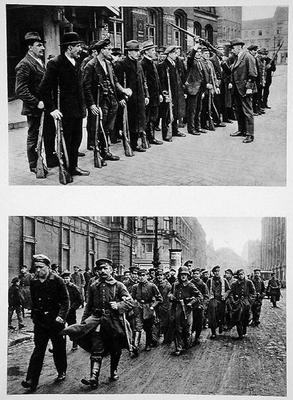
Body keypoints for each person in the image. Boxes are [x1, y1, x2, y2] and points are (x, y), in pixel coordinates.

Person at [63, 258, 133, 388]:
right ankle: (93, 377)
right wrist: (84, 322)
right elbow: (88, 306)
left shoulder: (119, 285)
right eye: (100, 269)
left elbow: (130, 302)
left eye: (105, 268)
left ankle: (113, 371)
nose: (102, 271)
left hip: (114, 322)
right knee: (97, 348)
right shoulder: (94, 286)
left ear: (111, 270)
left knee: (115, 349)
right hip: (97, 321)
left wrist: (118, 305)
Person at [39, 32, 90, 178]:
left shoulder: (78, 61)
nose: (81, 49)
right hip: (64, 111)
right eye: (78, 46)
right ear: (69, 48)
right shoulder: (55, 63)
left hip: (78, 110)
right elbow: (44, 89)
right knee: (66, 141)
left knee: (76, 140)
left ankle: (73, 167)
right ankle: (66, 168)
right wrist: (52, 108)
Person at [21, 254, 69, 392]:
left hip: (55, 321)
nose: (37, 270)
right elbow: (34, 301)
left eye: (41, 267)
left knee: (58, 348)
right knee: (38, 350)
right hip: (41, 322)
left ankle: (61, 371)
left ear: (48, 267)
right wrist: (35, 317)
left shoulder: (58, 280)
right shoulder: (34, 282)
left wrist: (61, 317)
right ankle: (31, 380)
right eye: (36, 267)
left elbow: (66, 301)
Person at [83, 38, 132, 163]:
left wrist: (123, 90)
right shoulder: (91, 65)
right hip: (100, 101)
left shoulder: (109, 64)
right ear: (101, 50)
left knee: (108, 127)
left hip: (112, 99)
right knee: (99, 128)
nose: (110, 51)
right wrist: (91, 104)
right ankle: (99, 153)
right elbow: (86, 87)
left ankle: (106, 151)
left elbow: (114, 81)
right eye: (108, 49)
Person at [15, 32, 57, 172]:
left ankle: (51, 159)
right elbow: (20, 90)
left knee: (50, 132)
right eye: (39, 45)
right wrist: (36, 102)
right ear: (30, 47)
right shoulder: (24, 64)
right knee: (34, 136)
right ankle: (34, 164)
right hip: (35, 108)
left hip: (46, 107)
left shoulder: (39, 61)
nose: (43, 48)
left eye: (43, 45)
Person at [115, 40, 149, 152]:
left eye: (138, 50)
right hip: (128, 99)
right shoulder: (121, 64)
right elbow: (117, 83)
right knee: (129, 122)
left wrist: (146, 95)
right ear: (129, 52)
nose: (137, 53)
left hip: (139, 97)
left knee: (138, 121)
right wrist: (120, 98)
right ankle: (128, 144)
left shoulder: (138, 63)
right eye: (135, 51)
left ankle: (134, 144)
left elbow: (143, 81)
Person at [227, 38, 257, 143]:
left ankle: (250, 134)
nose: (231, 50)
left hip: (245, 89)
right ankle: (241, 130)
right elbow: (233, 71)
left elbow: (253, 74)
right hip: (237, 89)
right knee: (239, 111)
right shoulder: (237, 58)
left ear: (238, 47)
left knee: (247, 112)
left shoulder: (248, 57)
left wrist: (249, 87)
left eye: (233, 48)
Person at [168, 266, 202, 355]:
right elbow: (170, 293)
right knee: (177, 328)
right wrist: (171, 296)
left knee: (187, 329)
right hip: (177, 308)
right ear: (179, 275)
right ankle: (178, 347)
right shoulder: (175, 285)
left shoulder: (190, 285)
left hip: (187, 309)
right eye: (182, 274)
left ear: (188, 276)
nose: (183, 276)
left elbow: (199, 296)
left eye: (185, 275)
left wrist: (191, 302)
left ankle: (186, 342)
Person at [157, 45, 186, 141]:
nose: (176, 55)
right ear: (169, 54)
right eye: (174, 53)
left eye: (177, 53)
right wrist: (165, 94)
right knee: (167, 114)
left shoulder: (174, 64)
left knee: (175, 111)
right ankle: (166, 134)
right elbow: (161, 82)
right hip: (168, 93)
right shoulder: (163, 65)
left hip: (175, 92)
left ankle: (175, 130)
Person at [131, 269, 163, 353]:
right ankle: (135, 346)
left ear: (147, 276)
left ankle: (148, 344)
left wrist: (153, 306)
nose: (141, 278)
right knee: (137, 327)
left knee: (148, 328)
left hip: (148, 309)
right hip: (138, 309)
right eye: (139, 276)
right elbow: (132, 298)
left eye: (143, 275)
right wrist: (134, 305)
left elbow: (159, 299)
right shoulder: (135, 287)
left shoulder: (152, 286)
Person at [141, 40, 163, 145]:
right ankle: (148, 138)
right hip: (149, 96)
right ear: (146, 52)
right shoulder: (143, 63)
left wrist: (159, 93)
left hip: (154, 95)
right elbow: (143, 81)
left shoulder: (151, 62)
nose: (154, 52)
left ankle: (151, 137)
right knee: (148, 118)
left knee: (154, 117)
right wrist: (146, 96)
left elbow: (156, 81)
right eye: (152, 50)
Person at [185, 43, 208, 135]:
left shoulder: (200, 62)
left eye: (199, 52)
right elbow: (190, 57)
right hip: (193, 89)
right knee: (192, 110)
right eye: (196, 52)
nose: (198, 53)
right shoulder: (190, 61)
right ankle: (191, 128)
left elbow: (203, 76)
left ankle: (197, 127)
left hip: (200, 89)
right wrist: (195, 46)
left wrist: (203, 90)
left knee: (199, 109)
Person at [228, 269, 256, 339]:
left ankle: (244, 331)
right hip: (237, 303)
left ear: (244, 274)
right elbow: (230, 293)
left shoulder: (249, 282)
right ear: (237, 276)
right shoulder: (234, 284)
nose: (241, 276)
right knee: (238, 319)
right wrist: (233, 301)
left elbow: (253, 292)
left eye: (242, 274)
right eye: (239, 274)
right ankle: (240, 334)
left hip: (246, 303)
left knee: (245, 318)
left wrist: (250, 301)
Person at [206, 265, 230, 339]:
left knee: (221, 315)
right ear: (213, 272)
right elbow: (206, 290)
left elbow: (229, 289)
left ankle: (221, 325)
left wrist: (225, 295)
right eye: (215, 271)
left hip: (221, 300)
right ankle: (213, 332)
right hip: (213, 299)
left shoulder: (224, 280)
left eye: (218, 271)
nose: (217, 273)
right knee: (212, 316)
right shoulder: (209, 280)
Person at [61, 271, 82, 351]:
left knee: (72, 328)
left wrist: (73, 308)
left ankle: (75, 343)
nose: (65, 280)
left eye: (67, 278)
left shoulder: (73, 287)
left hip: (71, 312)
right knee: (60, 329)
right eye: (64, 278)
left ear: (70, 278)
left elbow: (79, 300)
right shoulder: (60, 287)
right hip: (62, 312)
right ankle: (60, 345)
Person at [152, 268, 172, 345]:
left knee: (166, 324)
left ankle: (167, 339)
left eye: (161, 275)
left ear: (164, 276)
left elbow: (170, 295)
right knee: (156, 323)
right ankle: (154, 339)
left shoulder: (168, 286)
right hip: (156, 306)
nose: (159, 277)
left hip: (165, 307)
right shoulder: (154, 284)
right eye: (158, 275)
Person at [190, 267, 209, 344]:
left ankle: (197, 337)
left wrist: (203, 305)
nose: (195, 275)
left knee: (199, 322)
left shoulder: (203, 285)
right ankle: (190, 336)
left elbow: (206, 296)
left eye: (197, 274)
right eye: (194, 274)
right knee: (190, 323)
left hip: (199, 306)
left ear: (200, 275)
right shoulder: (189, 283)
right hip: (190, 306)